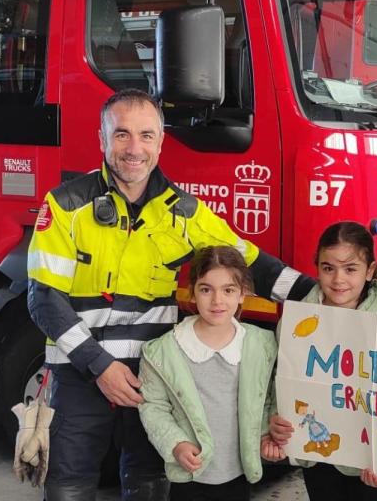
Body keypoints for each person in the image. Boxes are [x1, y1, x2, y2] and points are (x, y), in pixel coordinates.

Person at [26, 89, 311, 501]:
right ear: (101, 139)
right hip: (80, 374)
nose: (134, 148)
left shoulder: (182, 211)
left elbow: (249, 261)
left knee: (150, 484)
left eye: (146, 135)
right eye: (121, 135)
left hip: (153, 376)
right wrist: (99, 365)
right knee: (69, 485)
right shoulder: (66, 206)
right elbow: (43, 299)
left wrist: (324, 294)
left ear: (160, 142)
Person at [138, 246, 280, 501]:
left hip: (239, 474)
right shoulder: (163, 352)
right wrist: (176, 444)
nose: (217, 301)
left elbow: (266, 399)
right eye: (206, 289)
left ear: (243, 294)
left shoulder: (261, 345)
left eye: (228, 290)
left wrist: (266, 435)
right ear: (192, 293)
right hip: (190, 477)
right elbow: (154, 406)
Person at [266, 221, 377, 500]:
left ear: (370, 270)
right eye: (328, 268)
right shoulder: (295, 322)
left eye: (350, 269)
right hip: (317, 453)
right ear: (317, 267)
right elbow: (282, 377)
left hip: (371, 460)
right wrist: (275, 416)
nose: (338, 280)